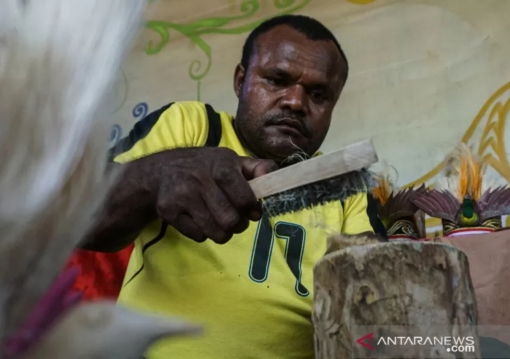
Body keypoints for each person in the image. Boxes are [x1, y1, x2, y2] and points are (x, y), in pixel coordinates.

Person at [84, 14, 387, 359]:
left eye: (318, 94)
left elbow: (374, 310)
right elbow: (80, 221)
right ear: (241, 80)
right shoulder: (194, 127)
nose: (296, 102)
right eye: (276, 80)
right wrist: (159, 175)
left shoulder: (342, 184)